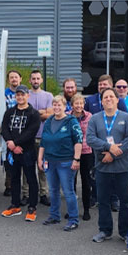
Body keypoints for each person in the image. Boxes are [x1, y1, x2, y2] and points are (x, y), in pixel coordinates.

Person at [87, 87, 128, 243]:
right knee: (103, 201)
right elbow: (90, 139)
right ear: (101, 102)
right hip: (102, 168)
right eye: (105, 97)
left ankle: (125, 232)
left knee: (125, 202)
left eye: (111, 97)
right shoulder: (95, 119)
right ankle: (105, 230)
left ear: (117, 100)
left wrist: (112, 154)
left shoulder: (126, 117)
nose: (108, 99)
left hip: (123, 168)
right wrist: (109, 147)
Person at [39, 94, 83, 231]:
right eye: (55, 105)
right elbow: (43, 141)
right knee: (53, 190)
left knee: (68, 191)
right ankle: (54, 216)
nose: (57, 107)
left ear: (65, 107)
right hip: (50, 161)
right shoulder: (49, 121)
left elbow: (78, 141)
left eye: (60, 105)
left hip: (66, 162)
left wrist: (76, 159)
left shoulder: (71, 121)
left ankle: (73, 219)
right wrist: (40, 158)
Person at [0, 86, 41, 222]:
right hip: (12, 152)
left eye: (22, 95)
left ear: (28, 96)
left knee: (30, 179)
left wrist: (16, 143)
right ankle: (15, 205)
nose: (20, 97)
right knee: (14, 178)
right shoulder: (9, 112)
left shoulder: (34, 114)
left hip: (27, 151)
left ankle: (32, 207)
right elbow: (4, 128)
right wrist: (10, 143)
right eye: (18, 95)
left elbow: (31, 132)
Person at [26, 70, 53, 206]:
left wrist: (35, 113)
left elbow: (50, 115)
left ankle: (43, 193)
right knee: (27, 167)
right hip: (28, 138)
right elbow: (25, 115)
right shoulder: (26, 96)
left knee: (43, 167)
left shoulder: (48, 96)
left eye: (38, 78)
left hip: (43, 137)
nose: (36, 81)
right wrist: (41, 112)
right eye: (33, 79)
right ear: (30, 81)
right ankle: (26, 193)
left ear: (41, 80)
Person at [69, 94, 94, 221]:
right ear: (72, 105)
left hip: (86, 152)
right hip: (71, 152)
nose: (79, 106)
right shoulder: (67, 116)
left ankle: (86, 209)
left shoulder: (89, 116)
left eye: (81, 103)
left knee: (86, 181)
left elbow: (92, 133)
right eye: (76, 103)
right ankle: (72, 209)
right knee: (71, 182)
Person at [0, 70, 24, 197]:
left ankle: (24, 188)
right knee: (8, 159)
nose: (14, 79)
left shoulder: (25, 93)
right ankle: (9, 185)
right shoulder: (2, 95)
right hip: (7, 132)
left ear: (20, 79)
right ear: (8, 80)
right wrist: (0, 130)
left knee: (23, 159)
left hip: (22, 132)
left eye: (16, 77)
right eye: (11, 77)